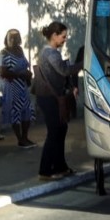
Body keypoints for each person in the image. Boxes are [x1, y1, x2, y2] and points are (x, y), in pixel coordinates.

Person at [34, 22, 83, 181]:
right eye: (63, 36)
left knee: (60, 130)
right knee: (55, 132)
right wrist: (84, 63)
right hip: (49, 98)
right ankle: (45, 170)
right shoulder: (51, 54)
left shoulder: (48, 52)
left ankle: (60, 166)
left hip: (49, 97)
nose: (64, 40)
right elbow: (64, 70)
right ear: (54, 35)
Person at [0, 29, 36, 149]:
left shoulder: (20, 51)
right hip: (11, 87)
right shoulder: (3, 53)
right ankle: (20, 139)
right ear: (6, 39)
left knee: (27, 111)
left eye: (16, 38)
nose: (14, 40)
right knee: (16, 113)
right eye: (11, 38)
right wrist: (20, 75)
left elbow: (24, 65)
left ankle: (25, 137)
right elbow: (3, 72)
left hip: (22, 86)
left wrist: (28, 75)